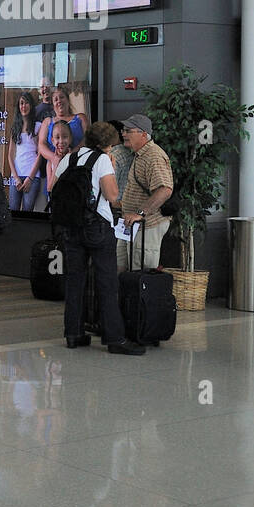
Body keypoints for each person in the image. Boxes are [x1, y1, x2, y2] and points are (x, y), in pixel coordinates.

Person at [52, 121, 139, 354]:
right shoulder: (101, 160)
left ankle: (73, 333)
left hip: (71, 228)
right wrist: (108, 166)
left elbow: (53, 188)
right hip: (97, 228)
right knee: (107, 283)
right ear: (107, 144)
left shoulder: (69, 158)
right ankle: (115, 339)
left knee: (74, 281)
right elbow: (112, 195)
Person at [117, 113, 175, 272]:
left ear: (143, 134)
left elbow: (165, 189)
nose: (123, 133)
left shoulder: (154, 156)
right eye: (123, 130)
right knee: (123, 269)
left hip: (147, 226)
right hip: (131, 225)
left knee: (141, 274)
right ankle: (125, 297)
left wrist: (140, 213)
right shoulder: (141, 154)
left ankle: (136, 298)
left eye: (128, 130)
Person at [37, 87, 88, 199]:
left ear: (68, 100)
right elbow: (41, 145)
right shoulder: (47, 121)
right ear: (52, 103)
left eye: (62, 97)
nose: (59, 101)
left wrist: (71, 155)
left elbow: (87, 139)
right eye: (55, 99)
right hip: (55, 165)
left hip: (77, 165)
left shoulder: (80, 118)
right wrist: (54, 158)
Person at [7, 91, 43, 211]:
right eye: (21, 103)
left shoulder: (39, 126)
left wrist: (30, 178)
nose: (24, 106)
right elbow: (10, 155)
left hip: (32, 176)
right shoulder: (15, 128)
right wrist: (16, 177)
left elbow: (40, 154)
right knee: (13, 211)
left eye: (27, 103)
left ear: (31, 106)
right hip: (16, 176)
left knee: (28, 212)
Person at [41, 119, 73, 195]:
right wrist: (56, 165)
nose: (61, 141)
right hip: (56, 202)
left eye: (65, 137)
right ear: (52, 140)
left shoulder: (74, 159)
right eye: (57, 137)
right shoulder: (50, 162)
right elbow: (49, 188)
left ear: (70, 138)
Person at [105, 119, 134, 202]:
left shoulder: (111, 156)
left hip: (113, 203)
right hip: (127, 202)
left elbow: (109, 187)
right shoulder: (129, 152)